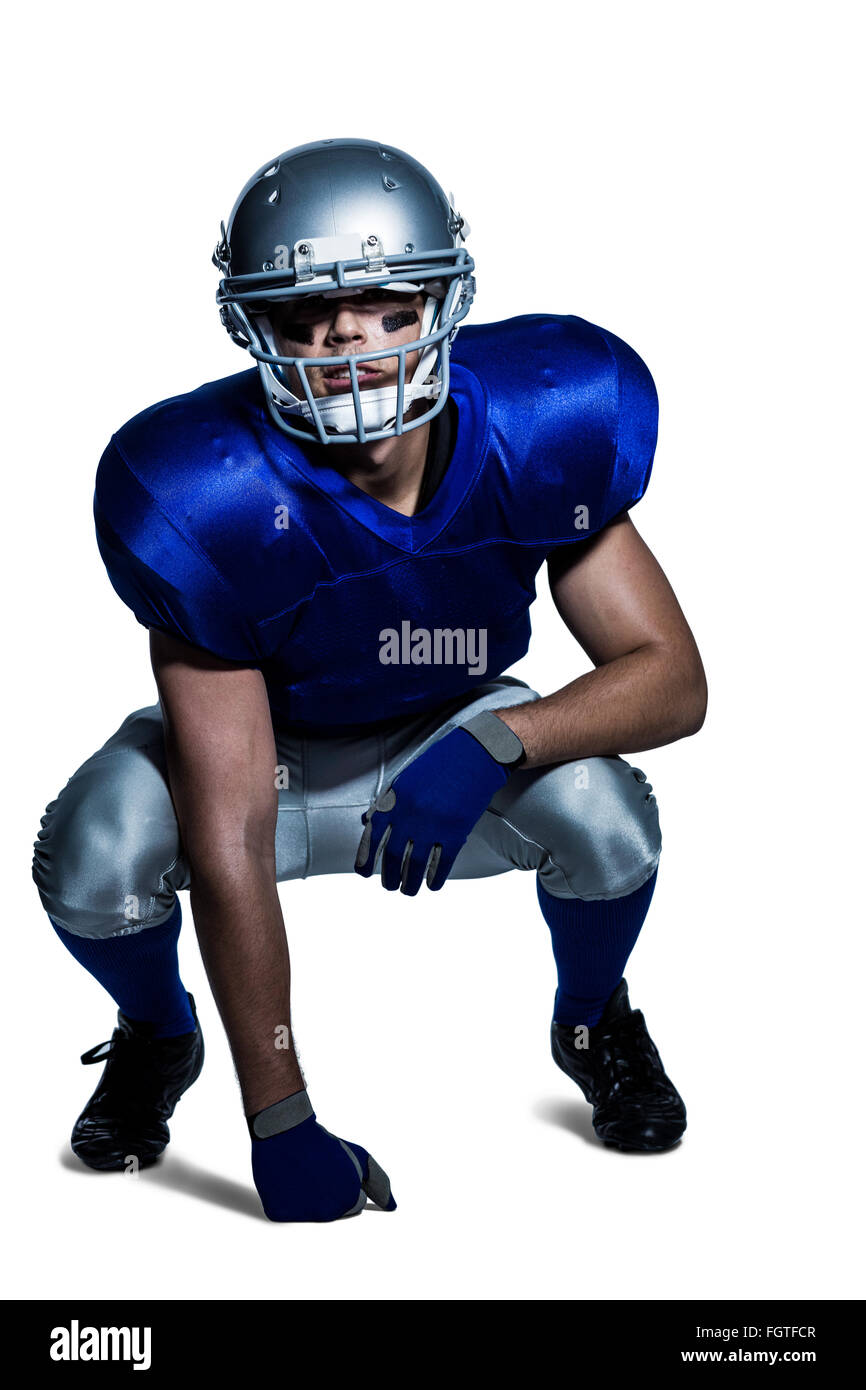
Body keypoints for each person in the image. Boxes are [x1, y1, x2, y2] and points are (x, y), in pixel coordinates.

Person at [33, 137, 707, 1223]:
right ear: (253, 324)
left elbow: (670, 679)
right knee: (93, 854)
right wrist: (281, 1120)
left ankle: (590, 1018)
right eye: (305, 312)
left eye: (384, 301)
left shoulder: (544, 420)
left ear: (444, 300)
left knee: (609, 818)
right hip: (275, 759)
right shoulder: (200, 490)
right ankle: (160, 1032)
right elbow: (231, 834)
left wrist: (497, 740)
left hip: (456, 727)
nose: (345, 335)